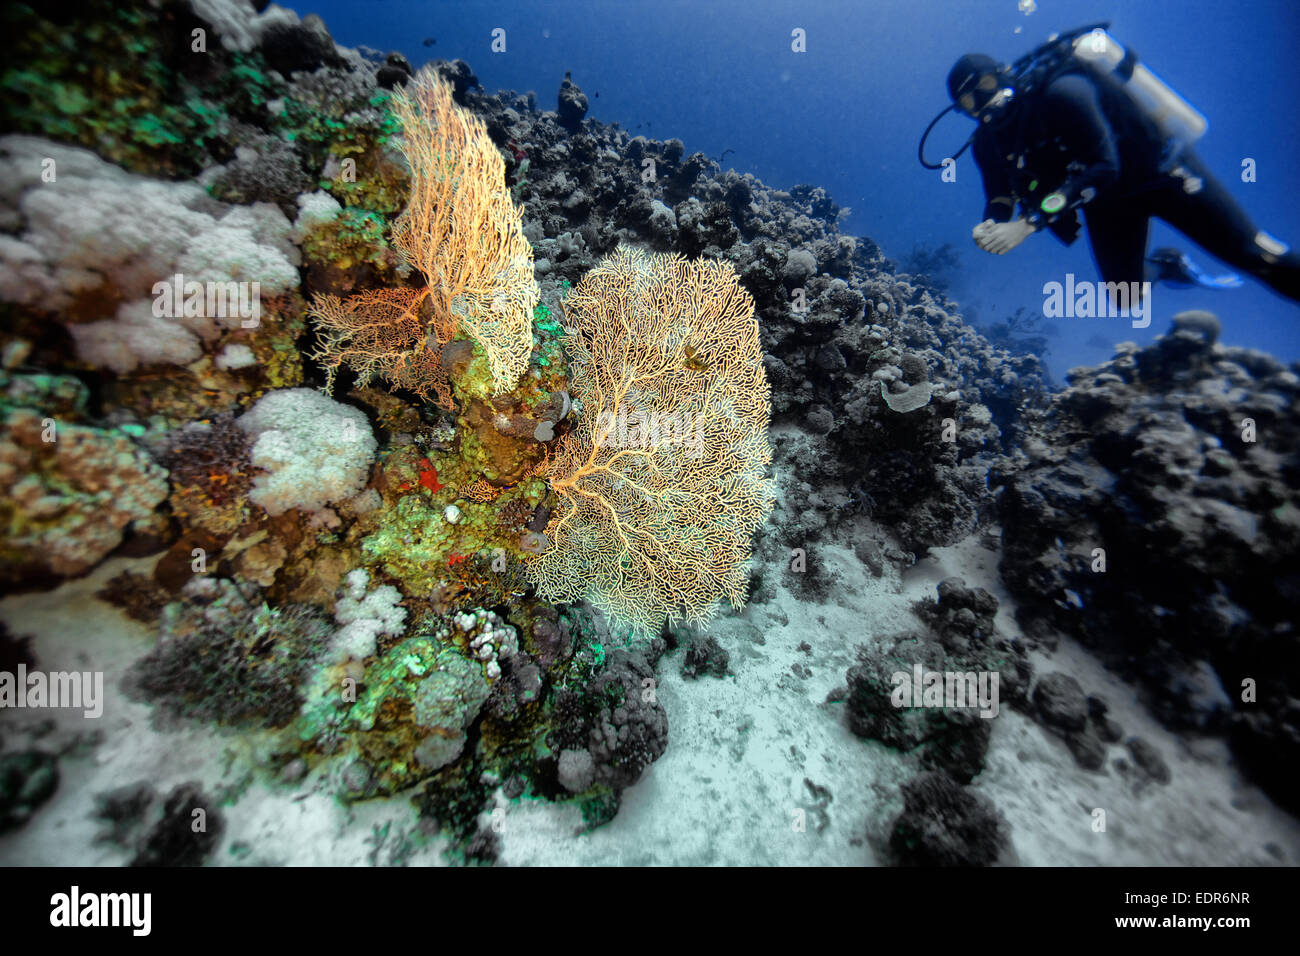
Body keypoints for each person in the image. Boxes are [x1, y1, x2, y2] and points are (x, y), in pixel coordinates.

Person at [946, 48, 1300, 303]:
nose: (982, 99)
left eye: (987, 84)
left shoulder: (1061, 91)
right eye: (969, 101)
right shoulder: (987, 145)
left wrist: (1030, 223)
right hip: (1107, 202)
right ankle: (1169, 265)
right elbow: (999, 196)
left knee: (1258, 258)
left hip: (1164, 175)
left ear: (1005, 73)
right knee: (1125, 294)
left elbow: (1103, 166)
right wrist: (990, 224)